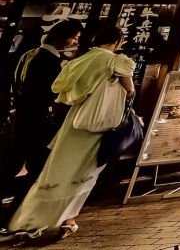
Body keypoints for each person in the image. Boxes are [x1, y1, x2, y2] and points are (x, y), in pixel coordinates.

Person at [5, 25, 135, 241]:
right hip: (96, 125)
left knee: (57, 170)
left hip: (73, 122)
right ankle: (67, 219)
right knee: (85, 174)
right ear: (118, 41)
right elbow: (130, 90)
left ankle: (31, 219)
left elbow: (59, 88)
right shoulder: (117, 61)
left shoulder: (79, 61)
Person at [3, 20, 84, 208]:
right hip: (38, 121)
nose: (75, 42)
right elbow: (48, 94)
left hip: (21, 117)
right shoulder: (50, 62)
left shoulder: (28, 55)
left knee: (13, 162)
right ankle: (18, 209)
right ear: (62, 37)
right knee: (36, 165)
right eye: (74, 38)